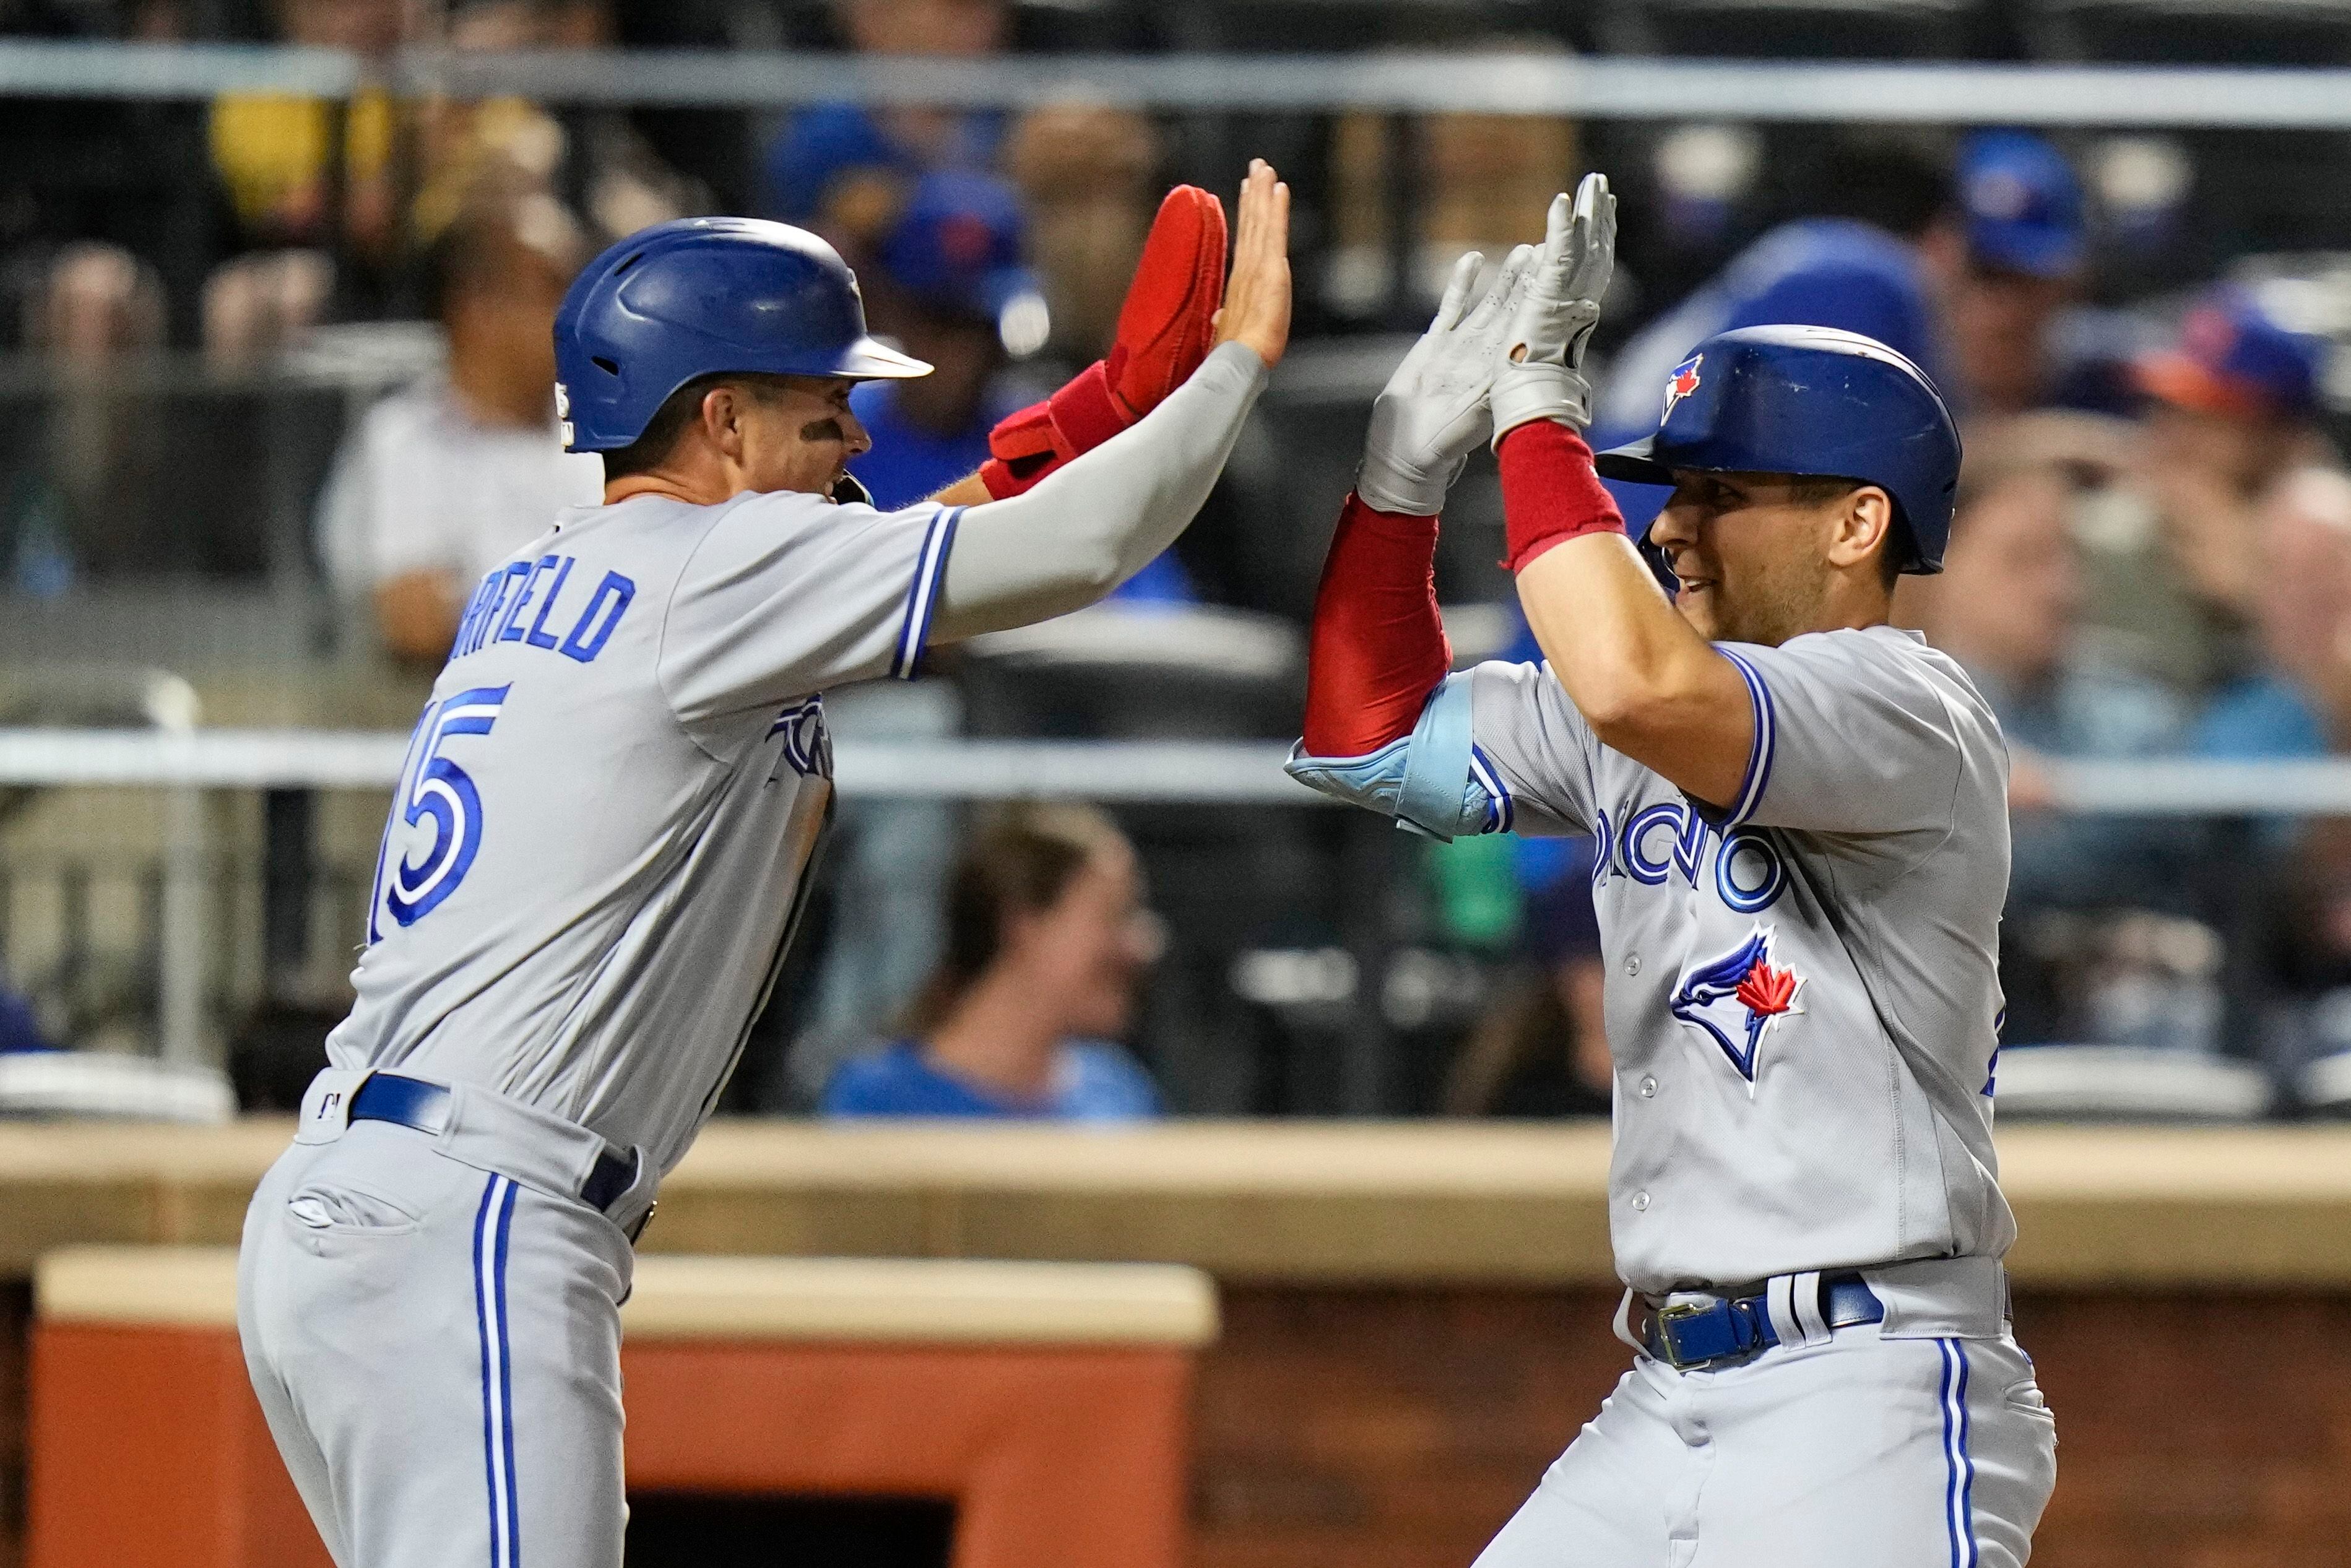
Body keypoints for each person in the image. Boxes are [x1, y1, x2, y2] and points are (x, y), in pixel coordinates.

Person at [236, 163, 1290, 1567]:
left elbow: (930, 540)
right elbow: (1079, 544)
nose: (854, 438)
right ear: (720, 420)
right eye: (819, 408)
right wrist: (1236, 367)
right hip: (477, 1223)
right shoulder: (711, 568)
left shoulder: (556, 571)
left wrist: (1100, 406)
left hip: (356, 1202)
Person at [1287, 177, 2054, 1563]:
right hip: (1666, 1388)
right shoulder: (1649, 695)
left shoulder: (1906, 705)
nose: (1669, 526)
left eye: (1719, 493)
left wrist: (1537, 416)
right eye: (1668, 492)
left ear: (1855, 525)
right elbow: (1366, 740)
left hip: (1869, 1391)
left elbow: (1642, 689)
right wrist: (1398, 485)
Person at [1592, 131, 2088, 539]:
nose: (1997, 307)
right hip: (1636, 548)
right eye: (1984, 273)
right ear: (1941, 241)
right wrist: (2044, 444)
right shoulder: (1858, 276)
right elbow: (1872, 468)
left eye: (2022, 283)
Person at [852, 171, 1196, 600]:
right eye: (939, 322)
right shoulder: (836, 436)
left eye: (978, 330)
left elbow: (1155, 607)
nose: (960, 354)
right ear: (892, 310)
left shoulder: (1051, 439)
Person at [317, 191, 604, 664]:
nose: (580, 315)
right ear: (478, 308)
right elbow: (416, 624)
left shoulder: (611, 440)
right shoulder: (403, 439)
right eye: (554, 288)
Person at [822, 803, 1164, 1119]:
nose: (1142, 944)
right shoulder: (880, 1106)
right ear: (1025, 926)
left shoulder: (1120, 1096)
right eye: (1114, 914)